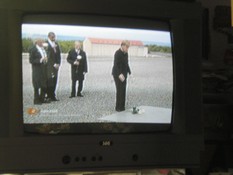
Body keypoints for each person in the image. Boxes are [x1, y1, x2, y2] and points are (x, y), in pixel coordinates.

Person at [112, 40, 131, 112]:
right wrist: (119, 74)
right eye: (127, 47)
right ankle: (118, 107)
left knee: (123, 90)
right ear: (122, 46)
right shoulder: (117, 53)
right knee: (119, 90)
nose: (127, 49)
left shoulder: (126, 53)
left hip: (124, 74)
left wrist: (130, 72)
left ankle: (122, 107)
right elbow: (115, 65)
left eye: (128, 47)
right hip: (117, 74)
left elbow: (126, 64)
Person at [29, 39, 49, 105]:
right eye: (41, 42)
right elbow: (31, 60)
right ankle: (36, 100)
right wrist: (40, 60)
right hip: (37, 70)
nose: (42, 43)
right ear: (37, 42)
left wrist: (46, 60)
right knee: (36, 85)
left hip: (44, 69)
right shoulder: (33, 49)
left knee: (44, 84)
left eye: (43, 42)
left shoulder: (43, 49)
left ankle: (42, 98)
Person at [45, 32, 61, 101]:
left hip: (56, 67)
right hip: (49, 66)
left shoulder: (56, 44)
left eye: (54, 37)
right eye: (52, 37)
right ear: (48, 37)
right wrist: (53, 64)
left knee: (55, 80)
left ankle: (53, 95)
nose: (53, 38)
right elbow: (47, 56)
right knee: (49, 81)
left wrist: (58, 64)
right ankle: (48, 95)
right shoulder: (46, 44)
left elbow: (58, 55)